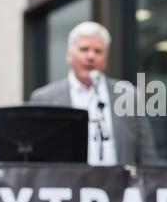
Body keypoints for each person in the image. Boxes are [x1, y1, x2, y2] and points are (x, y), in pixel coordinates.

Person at [29, 21, 158, 166]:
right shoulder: (44, 99)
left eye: (98, 51)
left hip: (119, 185)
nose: (91, 56)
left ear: (105, 59)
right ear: (69, 55)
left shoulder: (128, 96)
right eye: (84, 49)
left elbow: (147, 155)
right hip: (67, 185)